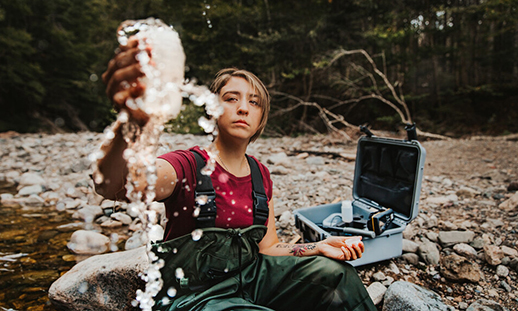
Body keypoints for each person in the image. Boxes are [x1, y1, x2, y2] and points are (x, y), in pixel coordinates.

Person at [96, 37, 376, 311]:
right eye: (232, 99)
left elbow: (269, 248)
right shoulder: (187, 166)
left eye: (254, 103)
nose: (243, 108)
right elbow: (114, 186)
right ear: (213, 108)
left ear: (260, 119)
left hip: (252, 281)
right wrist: (130, 120)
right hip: (195, 298)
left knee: (335, 274)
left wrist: (319, 246)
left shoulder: (260, 175)